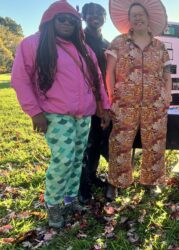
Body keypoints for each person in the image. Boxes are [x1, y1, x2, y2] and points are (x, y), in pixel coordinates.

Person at [11, 0, 110, 228]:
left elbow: (97, 80)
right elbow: (20, 79)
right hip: (55, 113)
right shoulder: (33, 44)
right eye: (61, 19)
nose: (67, 23)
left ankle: (69, 199)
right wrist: (34, 112)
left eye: (72, 20)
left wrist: (103, 107)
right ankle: (54, 206)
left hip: (83, 114)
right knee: (63, 159)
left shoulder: (83, 49)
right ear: (50, 20)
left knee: (77, 159)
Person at [106, 0, 171, 197]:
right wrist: (111, 100)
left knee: (155, 142)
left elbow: (167, 75)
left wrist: (166, 97)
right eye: (133, 15)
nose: (138, 17)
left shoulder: (160, 46)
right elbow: (109, 73)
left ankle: (151, 182)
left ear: (148, 17)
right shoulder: (118, 42)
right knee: (120, 143)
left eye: (141, 13)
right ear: (129, 20)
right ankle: (116, 182)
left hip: (155, 104)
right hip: (124, 104)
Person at [78, 2, 111, 204]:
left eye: (99, 13)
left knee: (99, 140)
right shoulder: (78, 40)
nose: (94, 16)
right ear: (83, 17)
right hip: (84, 100)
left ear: (104, 18)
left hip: (104, 99)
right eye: (89, 13)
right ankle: (82, 186)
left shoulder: (107, 43)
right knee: (85, 144)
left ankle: (92, 176)